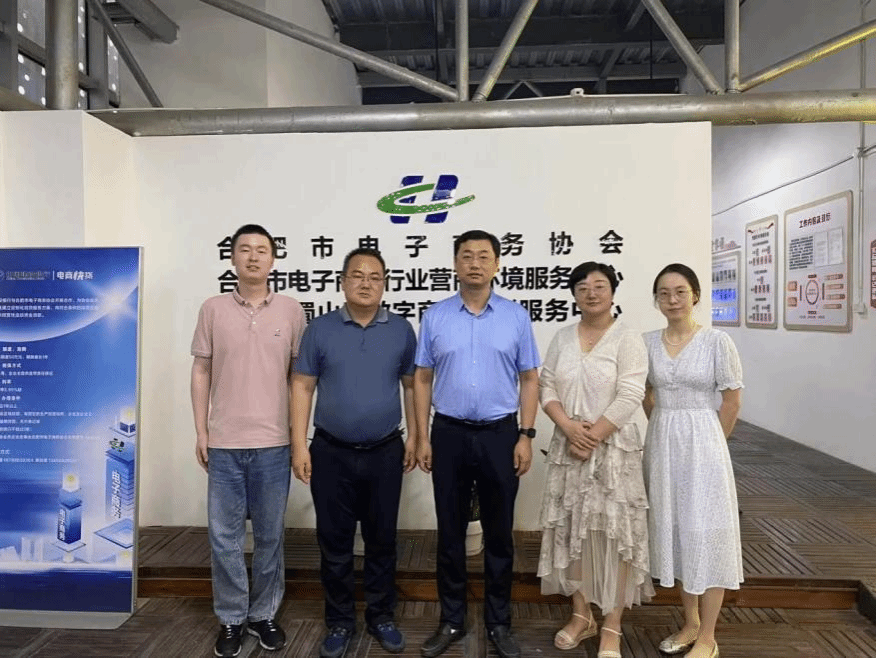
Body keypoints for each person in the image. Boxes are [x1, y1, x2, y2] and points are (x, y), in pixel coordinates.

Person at [413, 229, 540, 658]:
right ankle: (451, 620)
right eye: (466, 255)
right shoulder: (435, 316)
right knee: (450, 532)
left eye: (484, 256)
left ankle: (499, 623)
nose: (475, 263)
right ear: (455, 264)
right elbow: (422, 378)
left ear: (497, 264)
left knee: (499, 534)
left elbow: (529, 378)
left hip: (500, 435)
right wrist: (422, 435)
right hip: (448, 433)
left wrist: (526, 435)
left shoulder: (515, 317)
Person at [291, 247, 418, 658]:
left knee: (382, 540)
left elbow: (412, 386)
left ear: (385, 284)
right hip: (331, 452)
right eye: (358, 275)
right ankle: (340, 621)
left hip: (385, 451)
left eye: (375, 277)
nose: (366, 283)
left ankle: (381, 616)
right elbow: (302, 387)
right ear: (343, 281)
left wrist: (417, 436)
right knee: (335, 542)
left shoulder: (401, 330)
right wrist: (299, 445)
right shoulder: (319, 329)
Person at [190, 224, 306, 658]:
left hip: (274, 442)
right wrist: (202, 430)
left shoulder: (291, 311)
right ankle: (232, 617)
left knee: (271, 535)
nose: (253, 256)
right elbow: (201, 370)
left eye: (261, 250)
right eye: (245, 249)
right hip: (224, 442)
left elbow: (299, 380)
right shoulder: (213, 309)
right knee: (224, 537)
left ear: (273, 258)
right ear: (233, 258)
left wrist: (297, 437)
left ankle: (263, 614)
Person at [537, 262, 654, 658]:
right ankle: (581, 615)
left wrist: (591, 436)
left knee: (614, 535)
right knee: (573, 531)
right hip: (568, 448)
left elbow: (631, 393)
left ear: (612, 292)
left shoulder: (627, 338)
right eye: (583, 287)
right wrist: (569, 427)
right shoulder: (562, 337)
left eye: (599, 285)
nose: (591, 293)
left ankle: (612, 625)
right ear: (574, 295)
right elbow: (547, 386)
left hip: (613, 452)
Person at [643, 263, 743, 658]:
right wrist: (663, 425)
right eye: (664, 293)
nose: (672, 300)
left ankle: (708, 637)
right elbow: (646, 394)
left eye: (680, 291)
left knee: (707, 532)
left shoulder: (717, 341)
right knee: (678, 532)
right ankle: (690, 623)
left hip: (705, 446)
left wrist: (712, 444)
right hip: (663, 445)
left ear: (696, 295)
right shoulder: (647, 342)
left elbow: (731, 401)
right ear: (656, 300)